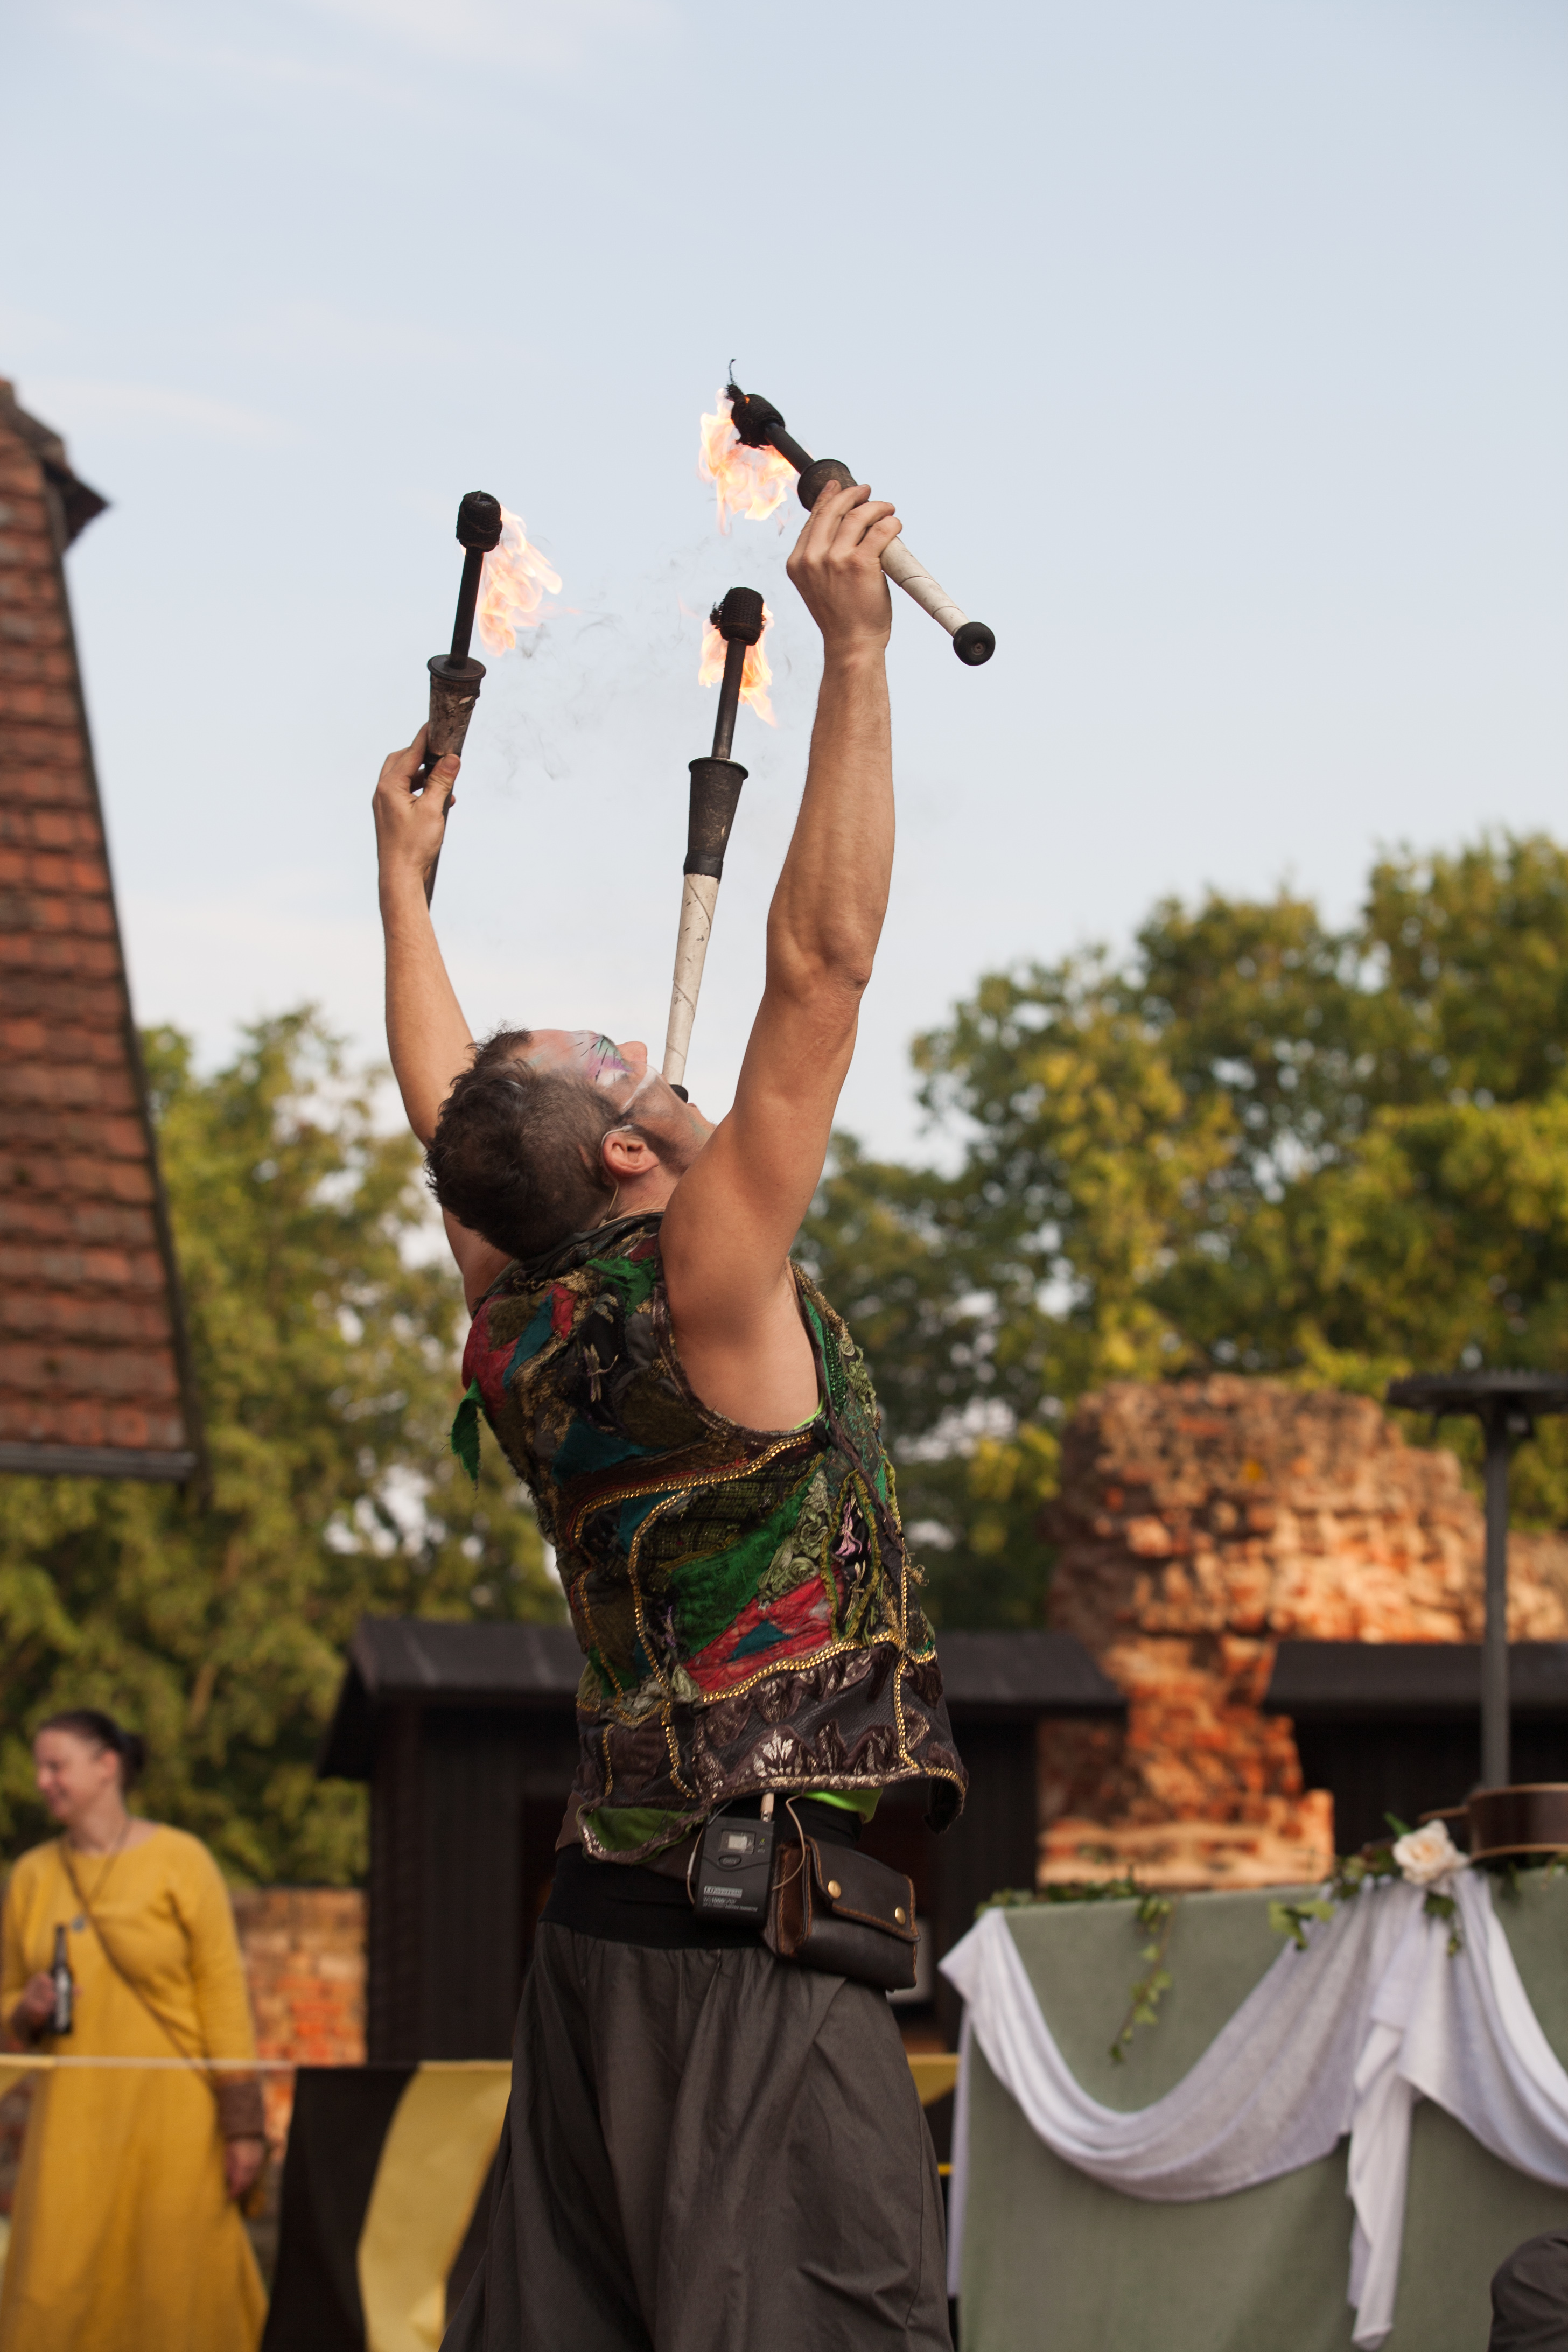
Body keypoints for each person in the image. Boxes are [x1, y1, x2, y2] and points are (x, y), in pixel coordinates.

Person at [375, 477, 967, 2350]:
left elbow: (454, 1123)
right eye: (623, 1064)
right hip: (749, 1967)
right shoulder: (711, 1283)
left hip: (596, 1953)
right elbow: (822, 967)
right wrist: (857, 656)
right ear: (629, 1156)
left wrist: (399, 881)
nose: (645, 1050)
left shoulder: (514, 1320)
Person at [0, 1711, 268, 2352]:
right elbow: (6, 2006)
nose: (42, 1781)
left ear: (106, 1767)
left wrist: (243, 2126)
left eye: (56, 1765)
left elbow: (222, 1993)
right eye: (38, 1768)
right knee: (53, 2287)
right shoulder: (32, 1876)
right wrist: (26, 2009)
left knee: (175, 2284)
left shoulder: (182, 1861)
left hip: (175, 2121)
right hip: (70, 2126)